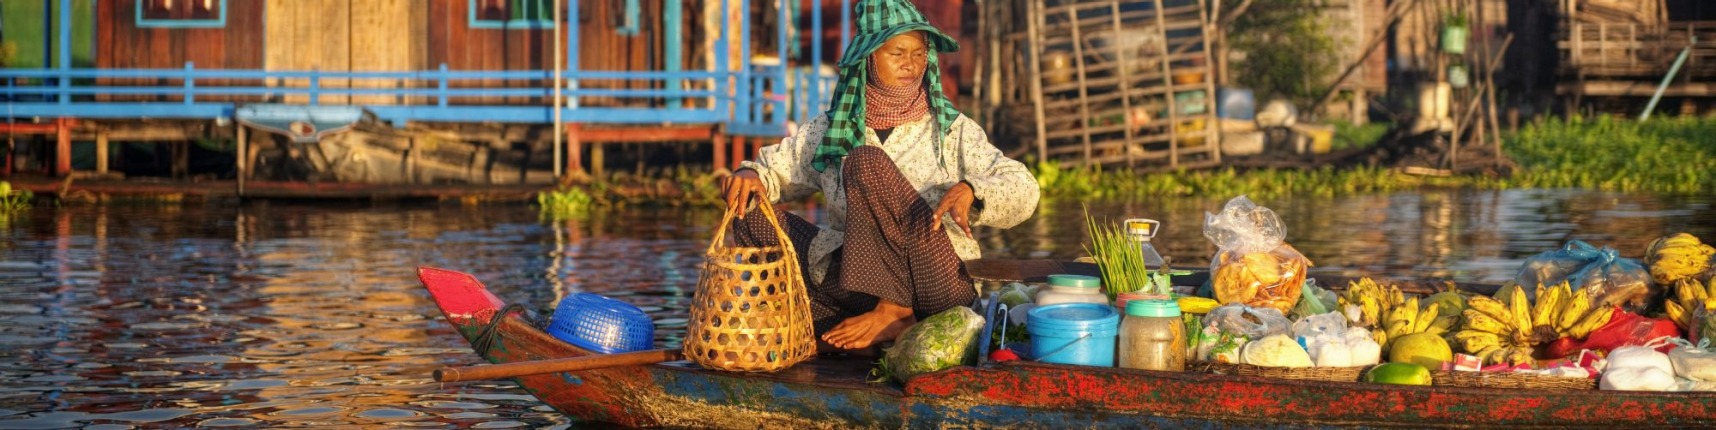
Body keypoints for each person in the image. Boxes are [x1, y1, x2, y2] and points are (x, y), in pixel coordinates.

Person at [720, 0, 1039, 353]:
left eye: (919, 54)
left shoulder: (950, 130)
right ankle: (853, 324)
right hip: (862, 287)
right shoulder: (832, 130)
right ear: (869, 57)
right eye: (897, 53)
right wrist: (750, 174)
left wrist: (972, 190)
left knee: (865, 161)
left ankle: (896, 314)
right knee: (750, 213)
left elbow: (1023, 186)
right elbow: (775, 169)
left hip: (936, 285)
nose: (910, 64)